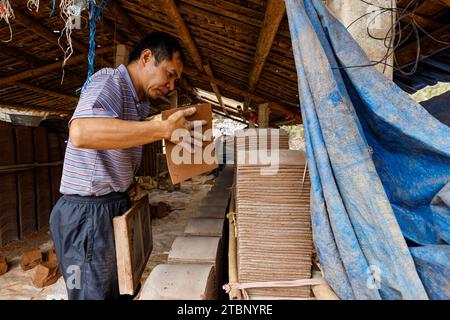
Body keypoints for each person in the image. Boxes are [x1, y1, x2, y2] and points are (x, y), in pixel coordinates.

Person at [49, 32, 204, 300]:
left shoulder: (139, 102)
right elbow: (81, 132)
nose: (170, 86)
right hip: (88, 213)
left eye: (175, 80)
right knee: (92, 294)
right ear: (146, 58)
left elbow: (112, 148)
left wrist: (125, 181)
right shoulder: (109, 81)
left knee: (120, 290)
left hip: (110, 205)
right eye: (169, 74)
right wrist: (162, 128)